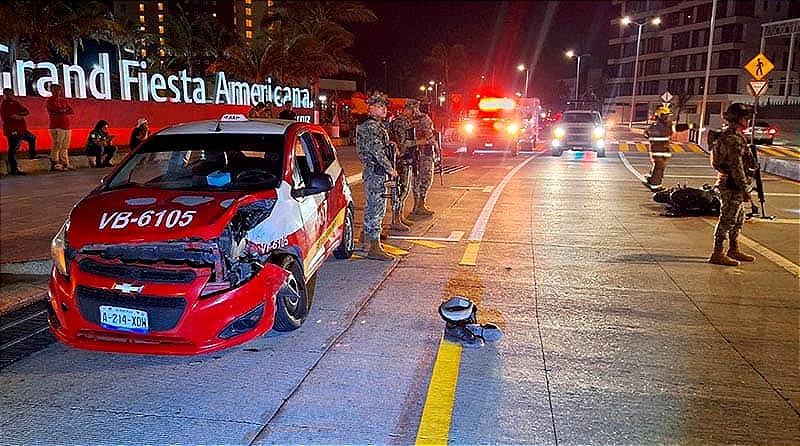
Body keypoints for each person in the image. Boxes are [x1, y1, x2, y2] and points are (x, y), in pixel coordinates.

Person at [708, 103, 758, 267]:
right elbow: (736, 167)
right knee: (728, 219)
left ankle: (733, 248)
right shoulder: (732, 140)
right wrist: (745, 189)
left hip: (732, 183)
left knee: (738, 218)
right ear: (737, 119)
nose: (747, 121)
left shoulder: (735, 136)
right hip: (731, 184)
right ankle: (717, 252)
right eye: (745, 118)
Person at [355, 91, 398, 261]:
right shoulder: (371, 126)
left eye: (385, 106)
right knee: (377, 208)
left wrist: (390, 144)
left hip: (374, 170)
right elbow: (377, 151)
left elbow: (379, 147)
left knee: (372, 205)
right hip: (376, 171)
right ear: (371, 108)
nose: (384, 109)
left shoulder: (373, 125)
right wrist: (390, 169)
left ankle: (365, 239)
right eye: (380, 106)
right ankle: (374, 246)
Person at [388, 99, 419, 232]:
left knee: (404, 190)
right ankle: (395, 219)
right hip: (400, 161)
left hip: (406, 160)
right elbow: (404, 143)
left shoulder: (406, 122)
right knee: (400, 190)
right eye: (413, 109)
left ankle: (399, 217)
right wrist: (420, 141)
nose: (415, 112)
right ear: (407, 109)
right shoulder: (401, 122)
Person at [410, 99, 438, 216]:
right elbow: (428, 134)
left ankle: (416, 204)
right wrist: (435, 145)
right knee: (426, 179)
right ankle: (420, 204)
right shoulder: (424, 118)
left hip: (413, 153)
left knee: (416, 179)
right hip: (425, 152)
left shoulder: (407, 120)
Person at [1, 88, 36, 175]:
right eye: (7, 94)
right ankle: (14, 169)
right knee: (14, 149)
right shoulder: (4, 105)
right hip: (13, 130)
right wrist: (19, 114)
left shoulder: (15, 103)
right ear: (4, 95)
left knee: (32, 138)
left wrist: (19, 114)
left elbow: (26, 111)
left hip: (22, 129)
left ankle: (32, 155)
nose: (9, 96)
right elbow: (13, 116)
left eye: (10, 94)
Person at [45, 84, 74, 171]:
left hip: (66, 126)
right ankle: (55, 163)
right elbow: (56, 110)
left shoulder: (63, 100)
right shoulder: (49, 100)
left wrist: (62, 110)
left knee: (65, 146)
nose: (57, 91)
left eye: (59, 89)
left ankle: (65, 163)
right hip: (56, 126)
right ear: (51, 90)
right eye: (55, 89)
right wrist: (64, 110)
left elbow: (71, 110)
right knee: (57, 145)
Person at [644, 106, 673, 191]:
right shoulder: (660, 126)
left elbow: (646, 133)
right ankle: (655, 185)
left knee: (659, 166)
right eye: (667, 116)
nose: (668, 117)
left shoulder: (657, 125)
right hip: (658, 151)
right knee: (659, 167)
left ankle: (650, 178)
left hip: (661, 150)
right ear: (662, 116)